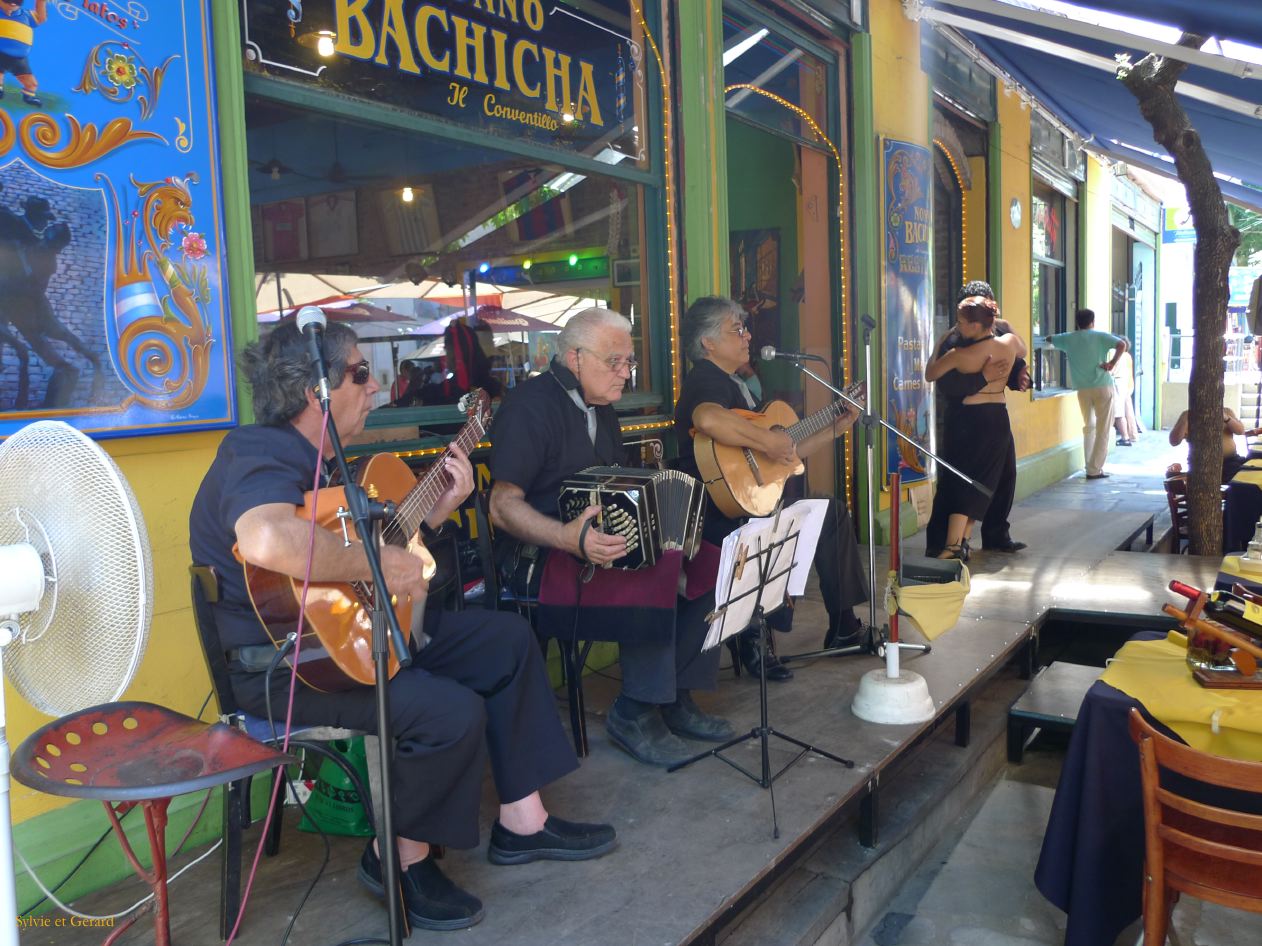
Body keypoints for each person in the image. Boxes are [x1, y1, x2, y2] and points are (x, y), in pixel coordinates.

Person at [189, 322, 614, 932]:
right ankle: (396, 859)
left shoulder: (328, 462)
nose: (376, 385)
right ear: (318, 391)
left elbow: (371, 555)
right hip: (288, 667)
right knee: (448, 711)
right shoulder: (259, 452)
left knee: (506, 641)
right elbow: (265, 538)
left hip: (349, 642)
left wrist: (434, 511)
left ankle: (524, 822)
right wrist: (381, 561)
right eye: (361, 373)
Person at [488, 307, 733, 768]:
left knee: (710, 563)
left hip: (596, 548)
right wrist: (567, 538)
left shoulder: (602, 408)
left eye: (629, 363)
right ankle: (635, 712)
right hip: (539, 558)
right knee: (651, 573)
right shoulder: (530, 407)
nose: (625, 374)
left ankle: (674, 693)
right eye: (614, 363)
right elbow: (501, 507)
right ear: (575, 358)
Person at [672, 296, 867, 680]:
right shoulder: (705, 380)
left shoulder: (739, 385)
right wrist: (767, 443)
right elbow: (709, 419)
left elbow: (784, 453)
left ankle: (843, 624)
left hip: (751, 502)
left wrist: (837, 426)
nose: (747, 336)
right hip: (717, 512)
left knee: (830, 514)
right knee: (788, 525)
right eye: (737, 329)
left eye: (745, 328)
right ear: (708, 343)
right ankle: (752, 635)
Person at [924, 280, 1028, 557]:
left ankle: (993, 535)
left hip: (994, 417)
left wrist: (1019, 376)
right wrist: (983, 378)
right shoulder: (954, 341)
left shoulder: (1001, 332)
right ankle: (946, 543)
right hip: (964, 420)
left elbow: (1017, 363)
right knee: (958, 482)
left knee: (1002, 477)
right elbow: (946, 387)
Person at [1044, 309, 1128, 480]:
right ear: (1093, 321)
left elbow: (1049, 339)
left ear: (1077, 322)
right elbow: (1122, 345)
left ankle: (1089, 464)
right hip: (1103, 386)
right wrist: (1111, 363)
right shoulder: (1100, 336)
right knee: (1103, 429)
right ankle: (1094, 469)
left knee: (1088, 426)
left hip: (1082, 389)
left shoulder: (1068, 338)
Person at [1169, 405, 1247, 484]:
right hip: (1202, 464)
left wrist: (1226, 418)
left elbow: (1240, 431)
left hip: (1231, 459)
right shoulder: (1187, 415)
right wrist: (1185, 419)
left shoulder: (1226, 411)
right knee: (1240, 484)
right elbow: (1174, 441)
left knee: (1250, 471)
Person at [0, 0, 47, 108]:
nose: (12, 3)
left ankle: (28, 97)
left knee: (32, 84)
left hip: (19, 59)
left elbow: (41, 18)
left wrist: (41, 2)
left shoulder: (26, 15)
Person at [1111, 350, 1140, 446]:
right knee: (1128, 411)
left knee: (1119, 412)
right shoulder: (1127, 355)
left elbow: (1112, 370)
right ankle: (1133, 435)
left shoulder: (1116, 354)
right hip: (1127, 383)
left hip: (1119, 383)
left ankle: (1126, 437)